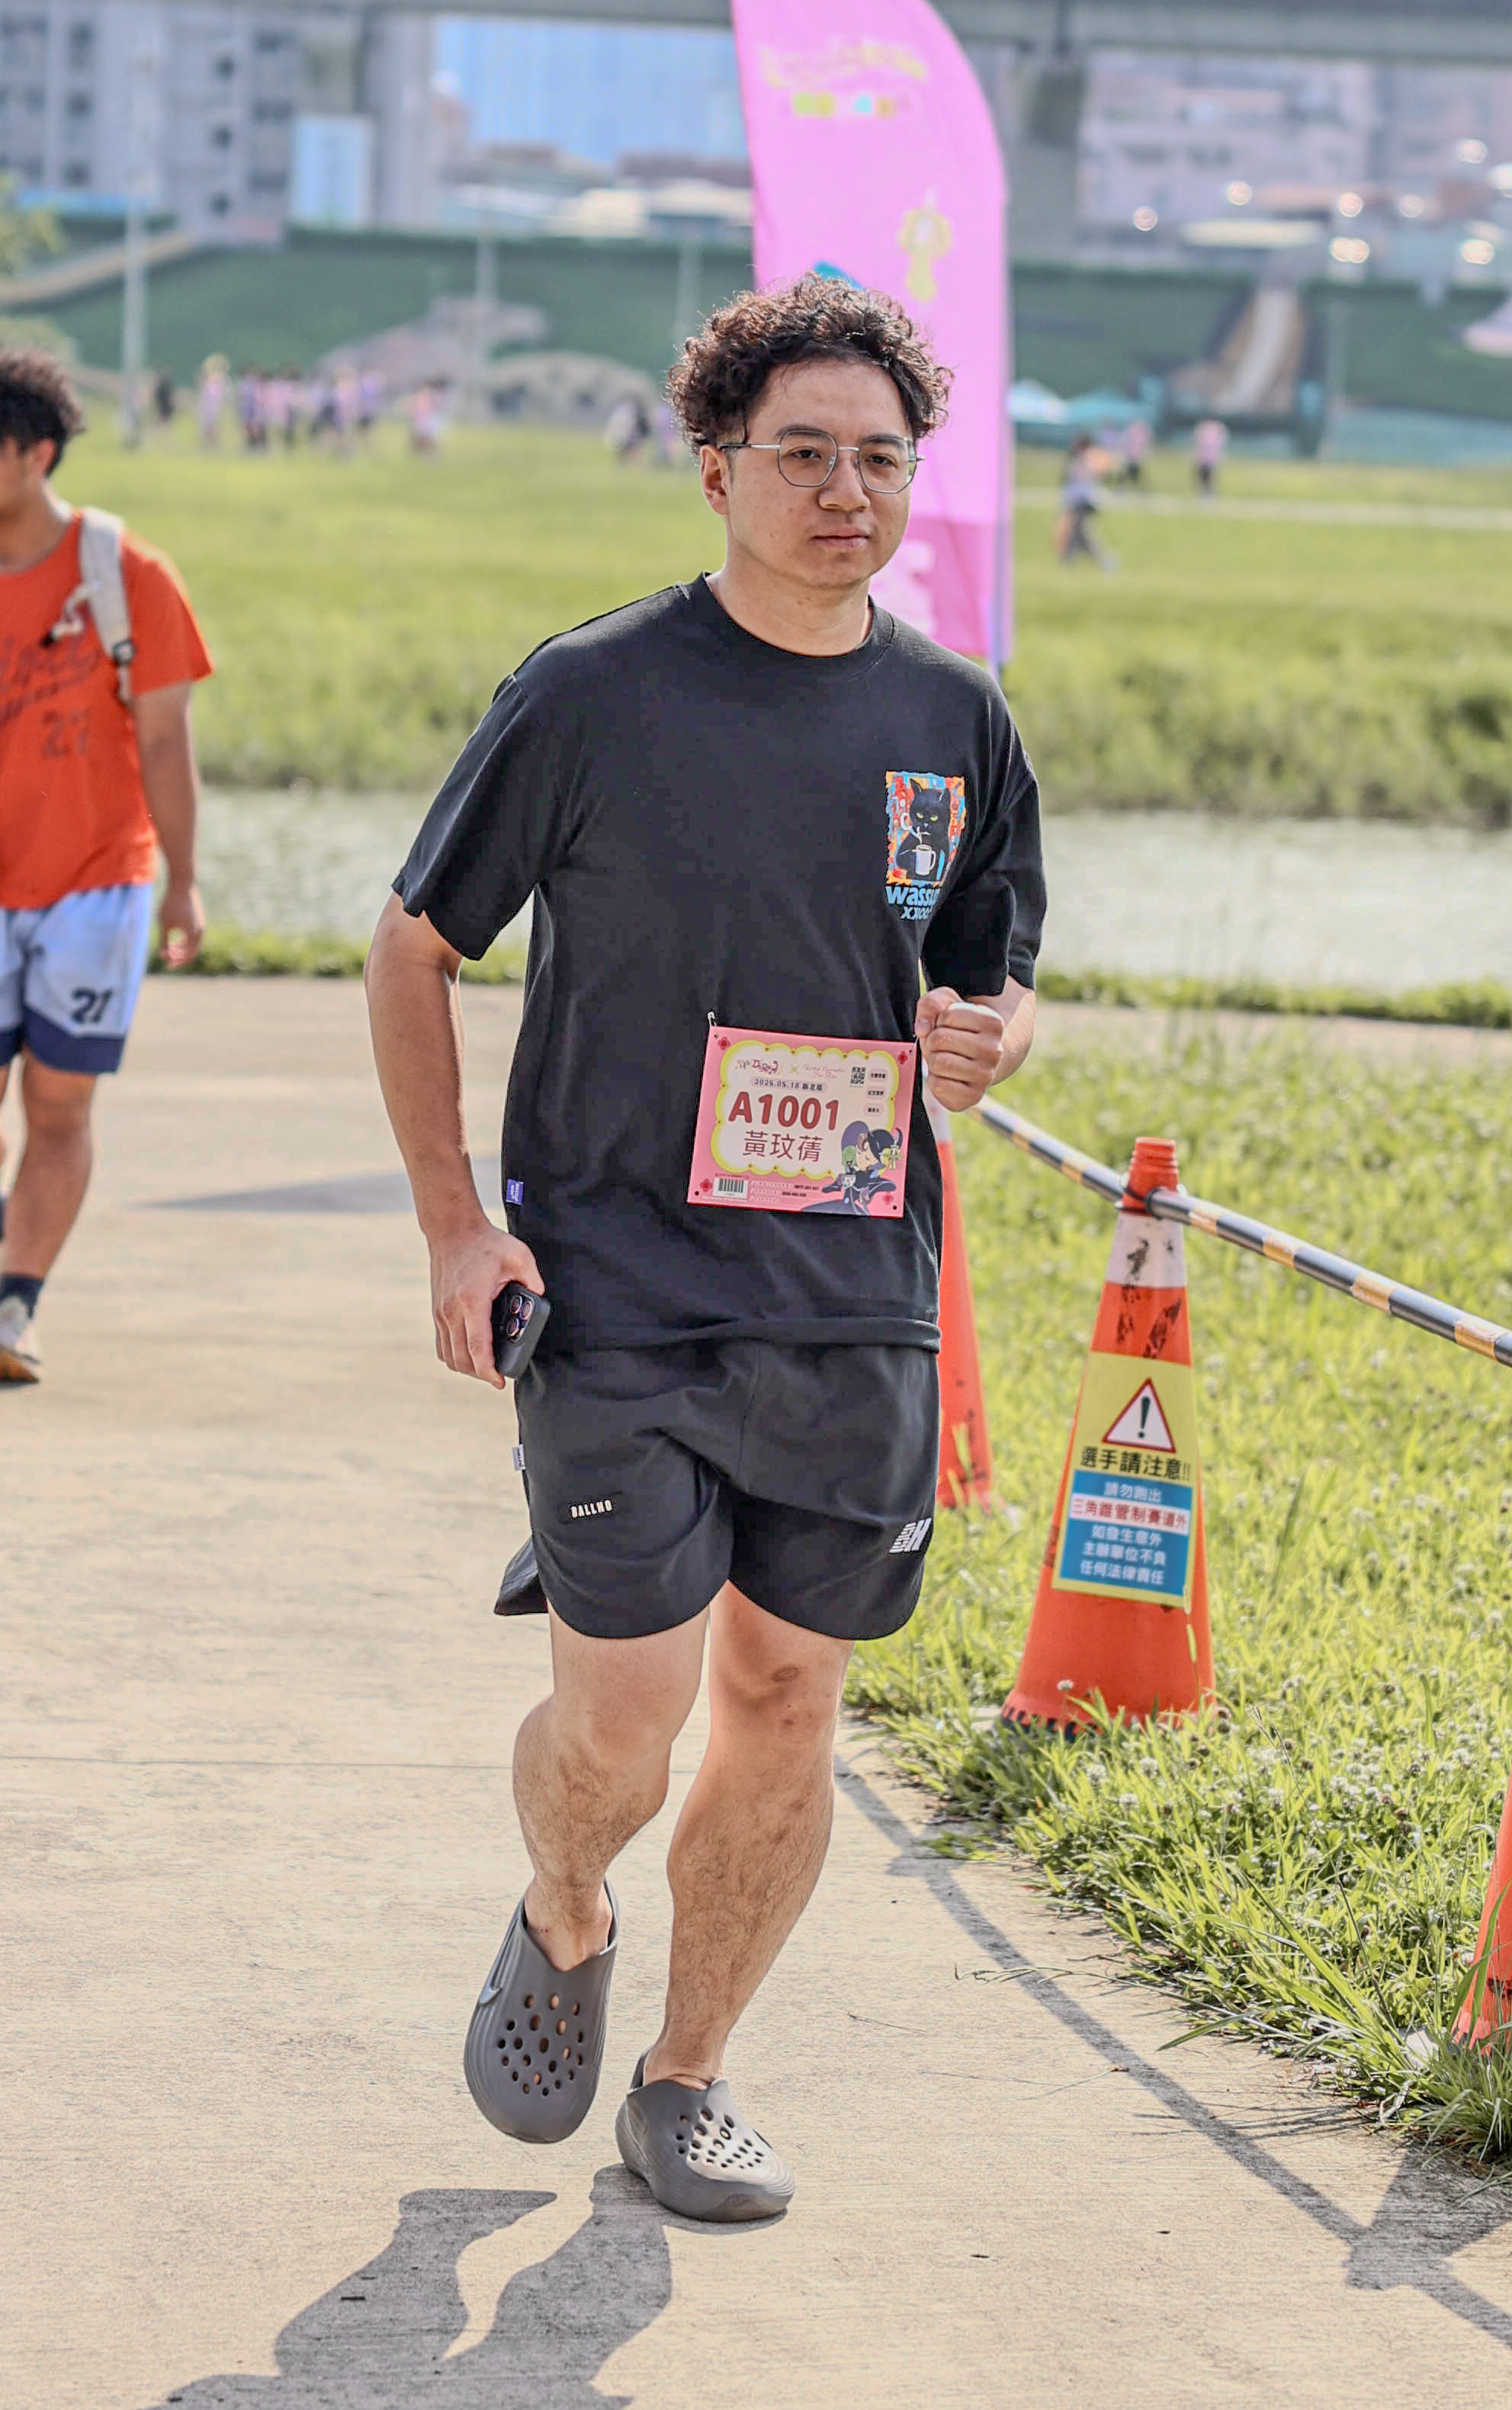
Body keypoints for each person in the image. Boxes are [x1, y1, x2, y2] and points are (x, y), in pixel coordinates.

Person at [366, 274, 1043, 2225]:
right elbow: (414, 946)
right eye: (802, 453)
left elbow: (988, 971)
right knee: (623, 1714)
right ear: (716, 469)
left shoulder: (953, 719)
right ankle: (563, 1902)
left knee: (791, 1698)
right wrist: (454, 1223)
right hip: (618, 1287)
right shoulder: (593, 693)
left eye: (879, 460)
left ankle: (689, 2074)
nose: (845, 492)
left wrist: (994, 1038)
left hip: (853, 1299)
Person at [0, 348, 211, 1381]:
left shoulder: (128, 576)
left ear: (38, 454)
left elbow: (164, 741)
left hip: (98, 886)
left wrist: (182, 882)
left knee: (60, 1105)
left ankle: (14, 1308)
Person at [1055, 434, 1113, 567]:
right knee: (1078, 533)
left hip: (1084, 501)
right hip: (1076, 501)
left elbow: (1097, 474)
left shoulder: (1089, 459)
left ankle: (1070, 560)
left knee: (1078, 532)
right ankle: (1069, 559)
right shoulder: (1077, 459)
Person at [1192, 415, 1228, 498]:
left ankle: (1209, 493)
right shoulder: (1204, 428)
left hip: (1210, 457)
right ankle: (1205, 492)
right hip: (1203, 457)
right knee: (1203, 475)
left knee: (1209, 476)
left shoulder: (1217, 429)